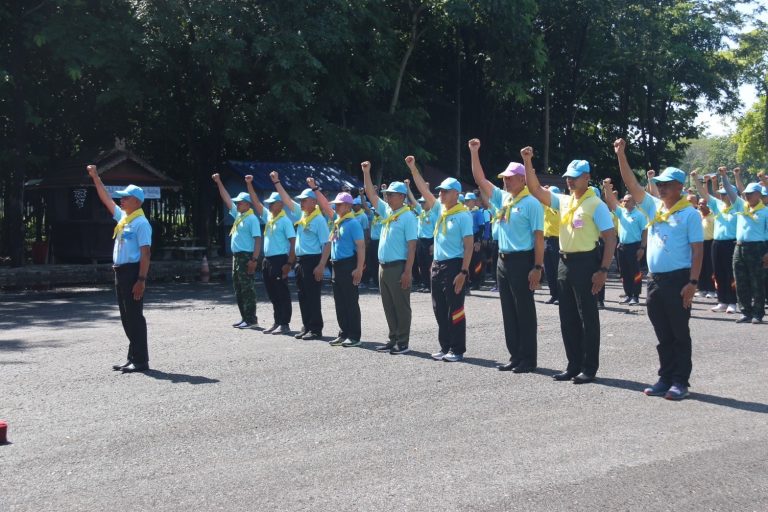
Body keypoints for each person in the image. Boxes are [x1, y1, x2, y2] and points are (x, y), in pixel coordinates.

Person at [615, 138, 703, 401]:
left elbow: (698, 251)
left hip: (679, 280)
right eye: (660, 184)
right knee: (663, 333)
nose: (662, 188)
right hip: (655, 280)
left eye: (667, 184)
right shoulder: (653, 206)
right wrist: (621, 155)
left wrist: (693, 283)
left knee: (679, 333)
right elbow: (632, 184)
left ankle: (680, 382)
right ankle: (665, 378)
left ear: (680, 187)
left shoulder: (689, 214)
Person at [522, 148, 617, 384]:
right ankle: (573, 365)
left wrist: (603, 270)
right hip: (564, 262)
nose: (569, 181)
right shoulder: (564, 201)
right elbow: (535, 190)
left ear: (587, 177)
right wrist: (527, 161)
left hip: (586, 262)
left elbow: (610, 238)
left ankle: (589, 367)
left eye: (574, 177)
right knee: (567, 317)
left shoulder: (596, 204)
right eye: (567, 177)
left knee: (587, 317)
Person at [469, 139, 544, 373]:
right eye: (504, 178)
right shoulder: (504, 198)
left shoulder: (532, 203)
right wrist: (474, 152)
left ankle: (528, 359)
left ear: (522, 179)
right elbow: (480, 179)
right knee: (508, 311)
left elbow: (539, 237)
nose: (505, 181)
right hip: (503, 259)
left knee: (524, 311)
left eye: (510, 178)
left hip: (523, 260)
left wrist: (538, 267)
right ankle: (515, 355)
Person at [406, 155, 473, 362]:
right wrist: (413, 168)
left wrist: (463, 272)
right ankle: (445, 346)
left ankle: (457, 349)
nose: (441, 194)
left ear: (456, 193)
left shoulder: (463, 215)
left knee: (455, 309)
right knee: (439, 308)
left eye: (445, 191)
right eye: (440, 191)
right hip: (438, 265)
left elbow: (469, 246)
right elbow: (423, 190)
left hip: (454, 265)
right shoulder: (440, 210)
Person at [87, 165, 153, 373]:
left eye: (126, 198)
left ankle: (141, 360)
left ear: (137, 201)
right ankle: (133, 357)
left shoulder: (141, 223)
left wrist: (141, 280)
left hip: (133, 273)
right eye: (122, 198)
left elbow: (146, 254)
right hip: (121, 272)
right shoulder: (124, 218)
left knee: (134, 317)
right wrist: (95, 177)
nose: (121, 200)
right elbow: (106, 199)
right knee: (126, 317)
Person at [361, 162, 418, 354]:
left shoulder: (408, 216)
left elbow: (412, 246)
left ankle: (403, 342)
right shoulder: (388, 211)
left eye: (391, 194)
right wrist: (366, 173)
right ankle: (393, 338)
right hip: (383, 267)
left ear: (402, 196)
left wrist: (407, 272)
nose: (388, 197)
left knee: (401, 306)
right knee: (388, 306)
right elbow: (371, 195)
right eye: (387, 194)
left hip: (398, 266)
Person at [268, 171, 330, 340]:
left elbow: (327, 243)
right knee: (302, 295)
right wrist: (277, 182)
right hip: (301, 261)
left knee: (312, 296)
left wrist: (321, 265)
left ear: (314, 202)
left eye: (304, 200)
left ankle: (316, 329)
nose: (301, 203)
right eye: (301, 200)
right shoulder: (302, 215)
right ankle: (307, 325)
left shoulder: (319, 220)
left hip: (313, 260)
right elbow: (287, 200)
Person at [314, 188, 366, 347]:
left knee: (350, 301)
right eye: (335, 204)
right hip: (336, 265)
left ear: (348, 206)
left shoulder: (353, 223)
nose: (335, 207)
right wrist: (315, 189)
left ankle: (354, 336)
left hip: (348, 264)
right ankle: (344, 333)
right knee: (340, 302)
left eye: (339, 204)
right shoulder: (338, 221)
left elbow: (361, 246)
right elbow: (325, 206)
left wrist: (359, 268)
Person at [246, 178, 296, 334]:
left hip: (280, 260)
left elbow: (293, 242)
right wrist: (249, 184)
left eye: (272, 203)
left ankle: (284, 323)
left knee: (282, 292)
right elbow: (255, 202)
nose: (268, 205)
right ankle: (277, 321)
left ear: (280, 204)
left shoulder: (285, 221)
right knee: (272, 293)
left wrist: (289, 263)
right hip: (267, 260)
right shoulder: (269, 216)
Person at [212, 173, 262, 330]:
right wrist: (219, 182)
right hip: (237, 257)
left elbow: (258, 239)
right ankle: (244, 318)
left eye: (240, 203)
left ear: (247, 204)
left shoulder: (252, 219)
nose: (237, 205)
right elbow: (227, 199)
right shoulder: (240, 216)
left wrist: (254, 259)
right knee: (238, 288)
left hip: (246, 256)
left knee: (247, 288)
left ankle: (251, 319)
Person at [721, 173, 768, 324]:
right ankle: (746, 312)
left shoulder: (765, 211)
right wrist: (723, 176)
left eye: (750, 193)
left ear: (759, 195)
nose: (747, 196)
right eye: (746, 193)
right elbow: (730, 191)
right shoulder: (741, 206)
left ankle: (758, 313)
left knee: (757, 282)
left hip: (757, 248)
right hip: (739, 247)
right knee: (740, 281)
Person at [691, 170, 739, 313]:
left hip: (732, 243)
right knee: (718, 273)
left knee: (730, 274)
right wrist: (696, 179)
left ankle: (733, 302)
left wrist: (724, 177)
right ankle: (722, 301)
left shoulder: (738, 207)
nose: (723, 196)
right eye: (722, 194)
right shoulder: (718, 205)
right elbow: (704, 194)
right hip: (717, 243)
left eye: (725, 194)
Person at [602, 183, 647, 305]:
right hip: (622, 246)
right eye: (624, 201)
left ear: (634, 202)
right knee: (624, 272)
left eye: (627, 201)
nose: (624, 203)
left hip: (635, 246)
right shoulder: (621, 212)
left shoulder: (639, 215)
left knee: (635, 272)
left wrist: (642, 247)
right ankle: (628, 294)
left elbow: (645, 231)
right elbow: (611, 202)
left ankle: (636, 296)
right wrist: (607, 188)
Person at [408, 182, 434, 292]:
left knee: (429, 264)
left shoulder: (434, 214)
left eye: (424, 202)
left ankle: (431, 285)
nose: (422, 204)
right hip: (420, 241)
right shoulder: (421, 211)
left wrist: (434, 244)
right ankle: (425, 284)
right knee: (421, 263)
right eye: (421, 202)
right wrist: (407, 187)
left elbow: (437, 230)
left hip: (430, 241)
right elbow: (412, 199)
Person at [542, 186, 561, 305]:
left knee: (557, 270)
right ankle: (553, 294)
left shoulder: (561, 208)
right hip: (546, 240)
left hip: (557, 241)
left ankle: (561, 295)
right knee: (549, 270)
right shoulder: (545, 207)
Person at [697, 197, 717, 298]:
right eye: (699, 203)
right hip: (699, 243)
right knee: (700, 266)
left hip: (710, 243)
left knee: (710, 267)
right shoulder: (697, 215)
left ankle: (711, 289)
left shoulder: (713, 215)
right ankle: (702, 288)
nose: (701, 206)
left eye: (703, 203)